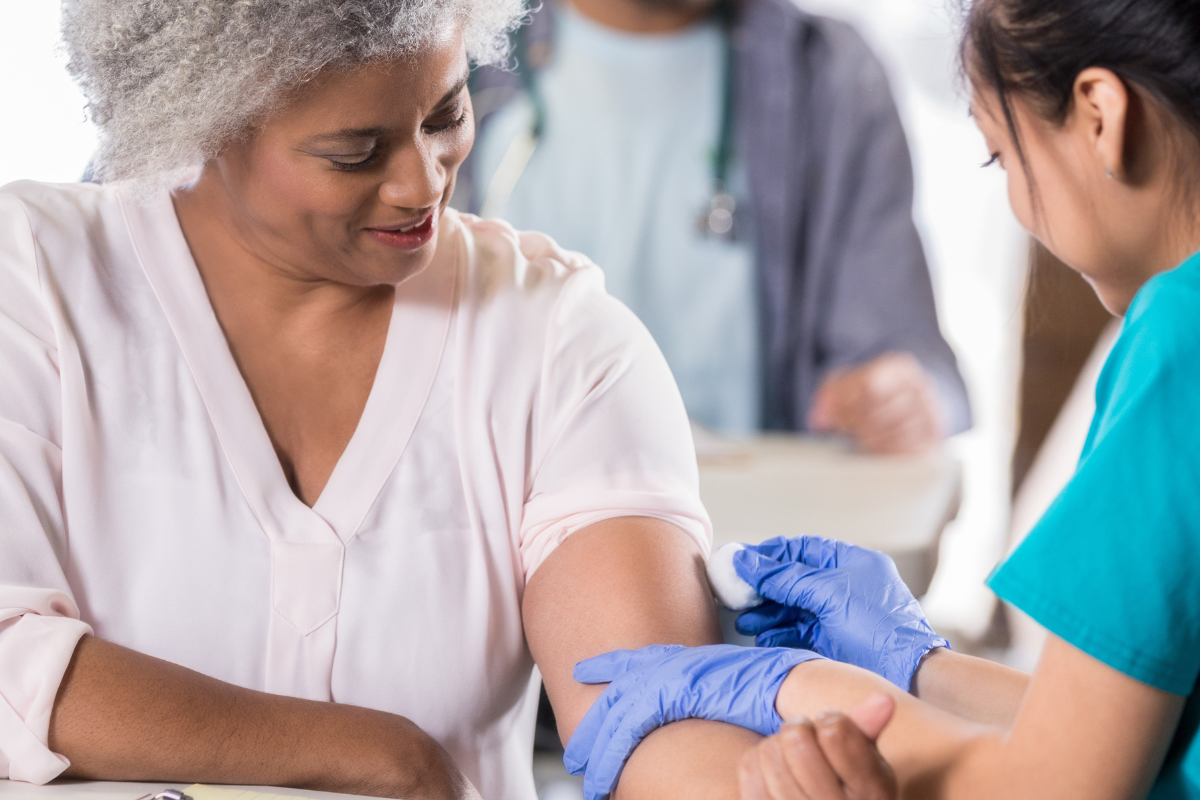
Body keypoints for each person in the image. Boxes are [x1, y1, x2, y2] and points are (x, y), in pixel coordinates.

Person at [0, 1, 900, 798]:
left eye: (446, 114)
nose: (421, 181)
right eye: (356, 153)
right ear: (204, 120)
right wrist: (382, 755)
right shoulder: (34, 281)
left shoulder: (557, 338)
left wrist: (764, 786)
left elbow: (647, 708)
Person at [565, 0, 1200, 797]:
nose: (1017, 203)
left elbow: (1053, 785)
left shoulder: (1178, 341)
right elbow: (1133, 731)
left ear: (1101, 116)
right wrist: (916, 666)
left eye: (1000, 157)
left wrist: (795, 689)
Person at [463, 0, 971, 453]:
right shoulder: (450, 59)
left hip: (745, 529)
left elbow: (903, 354)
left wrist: (903, 400)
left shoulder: (827, 74)